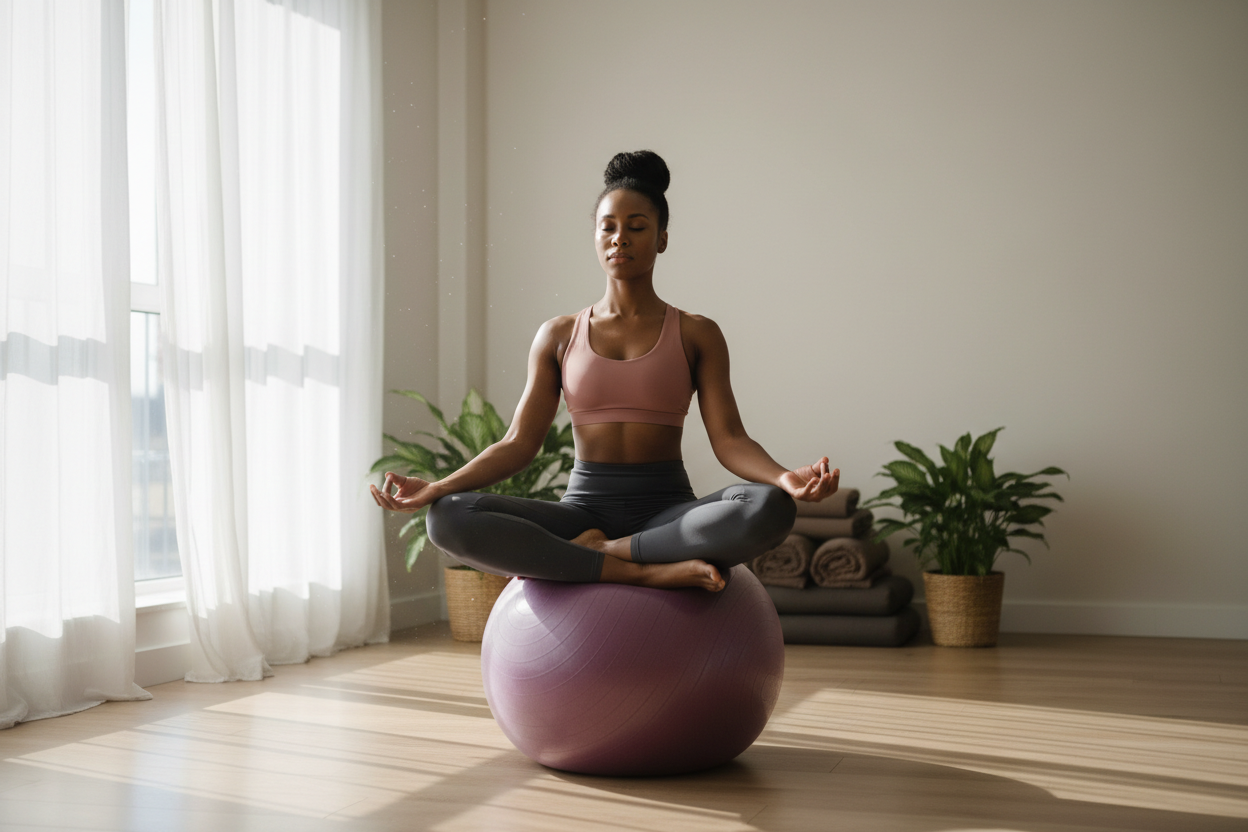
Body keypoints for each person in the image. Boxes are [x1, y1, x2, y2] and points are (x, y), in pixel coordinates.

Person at [371, 150, 839, 592]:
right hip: (581, 512)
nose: (620, 237)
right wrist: (438, 487)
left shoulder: (698, 333)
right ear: (595, 237)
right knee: (447, 516)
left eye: (636, 227)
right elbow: (518, 443)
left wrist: (783, 478)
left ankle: (608, 552)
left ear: (662, 239)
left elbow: (731, 439)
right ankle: (638, 574)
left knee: (769, 508)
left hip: (667, 516)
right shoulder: (557, 335)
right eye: (608, 226)